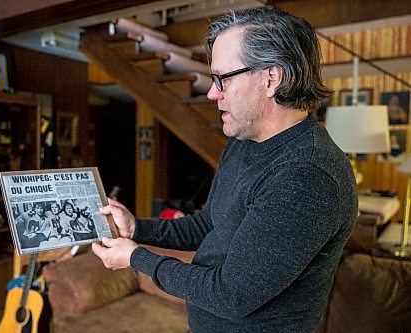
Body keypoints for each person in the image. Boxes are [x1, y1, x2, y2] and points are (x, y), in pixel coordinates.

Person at [92, 7, 358, 332]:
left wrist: (136, 258)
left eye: (222, 78)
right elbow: (211, 223)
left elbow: (230, 296)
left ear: (271, 78)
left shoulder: (307, 173)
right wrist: (137, 230)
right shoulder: (245, 139)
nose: (211, 93)